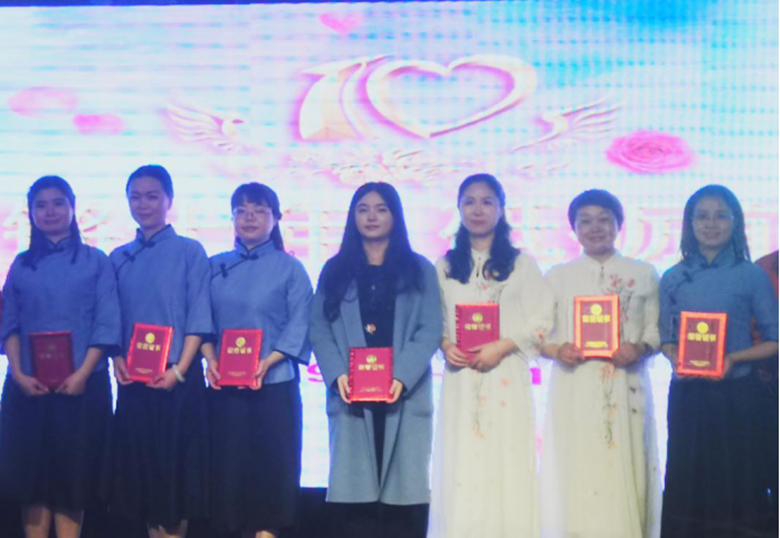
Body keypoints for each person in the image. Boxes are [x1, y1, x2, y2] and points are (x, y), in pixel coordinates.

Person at [309, 182, 442, 538]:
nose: (372, 217)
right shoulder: (335, 270)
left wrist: (402, 376)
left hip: (403, 395)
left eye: (381, 209)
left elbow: (430, 328)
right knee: (356, 504)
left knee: (403, 499)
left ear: (395, 216)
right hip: (351, 396)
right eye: (363, 209)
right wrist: (337, 374)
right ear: (352, 216)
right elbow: (319, 328)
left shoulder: (419, 270)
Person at [427, 173, 554, 538]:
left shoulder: (522, 264)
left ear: (501, 209)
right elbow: (433, 320)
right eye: (469, 201)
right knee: (462, 460)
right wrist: (446, 345)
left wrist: (502, 345)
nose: (477, 210)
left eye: (487, 201)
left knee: (507, 459)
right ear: (458, 208)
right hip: (461, 378)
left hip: (506, 376)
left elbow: (542, 319)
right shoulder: (444, 266)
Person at [0, 176, 120, 538]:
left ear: (72, 207)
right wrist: (18, 374)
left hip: (83, 386)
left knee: (73, 480)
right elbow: (9, 324)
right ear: (31, 213)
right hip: (27, 387)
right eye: (41, 205)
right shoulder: (21, 264)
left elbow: (107, 322)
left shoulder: (96, 261)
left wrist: (82, 374)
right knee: (31, 479)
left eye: (57, 203)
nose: (49, 212)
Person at [539, 189, 661, 538]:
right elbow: (538, 333)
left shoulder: (643, 273)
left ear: (619, 225)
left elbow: (655, 330)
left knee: (625, 461)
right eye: (586, 221)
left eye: (604, 219)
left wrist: (639, 348)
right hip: (574, 384)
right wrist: (558, 350)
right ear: (573, 228)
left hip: (626, 384)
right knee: (578, 463)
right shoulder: (558, 276)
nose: (595, 228)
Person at [659, 184, 778, 538]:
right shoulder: (672, 277)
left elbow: (774, 340)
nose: (711, 224)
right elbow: (665, 339)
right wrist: (676, 357)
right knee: (688, 480)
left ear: (735, 222)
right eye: (702, 216)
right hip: (689, 396)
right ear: (690, 223)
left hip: (738, 396)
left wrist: (732, 358)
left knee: (738, 480)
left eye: (720, 216)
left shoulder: (752, 275)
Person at [203, 183, 312, 538]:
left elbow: (301, 322)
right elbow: (201, 320)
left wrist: (269, 361)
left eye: (260, 211)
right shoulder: (214, 265)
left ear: (276, 218)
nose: (249, 218)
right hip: (225, 388)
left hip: (274, 386)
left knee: (273, 469)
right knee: (227, 470)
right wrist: (210, 358)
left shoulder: (290, 268)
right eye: (242, 211)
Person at [109, 165, 212, 538]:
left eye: (152, 196)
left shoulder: (189, 250)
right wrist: (117, 360)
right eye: (135, 197)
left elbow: (199, 316)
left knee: (175, 482)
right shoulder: (118, 257)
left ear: (169, 200)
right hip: (134, 384)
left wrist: (179, 370)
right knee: (141, 480)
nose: (143, 204)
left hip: (178, 381)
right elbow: (110, 319)